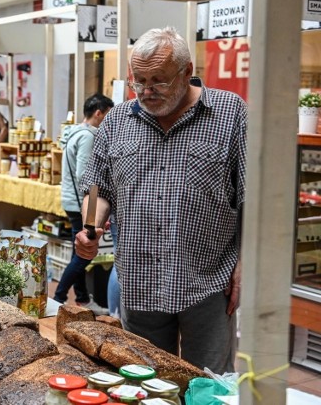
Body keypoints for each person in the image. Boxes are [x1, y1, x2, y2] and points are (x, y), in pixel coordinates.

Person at [75, 26, 246, 375]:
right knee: (145, 381)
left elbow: (251, 198)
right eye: (138, 81)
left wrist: (245, 265)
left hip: (208, 280)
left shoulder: (230, 114)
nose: (147, 91)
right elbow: (96, 186)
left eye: (159, 81)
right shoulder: (117, 121)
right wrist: (89, 227)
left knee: (208, 385)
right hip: (140, 280)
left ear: (186, 72)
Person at [54, 93, 114, 315]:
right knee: (83, 253)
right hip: (83, 202)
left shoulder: (73, 132)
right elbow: (87, 177)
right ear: (98, 112)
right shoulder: (89, 136)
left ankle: (81, 298)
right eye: (107, 114)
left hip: (72, 199)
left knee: (76, 251)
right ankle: (59, 297)